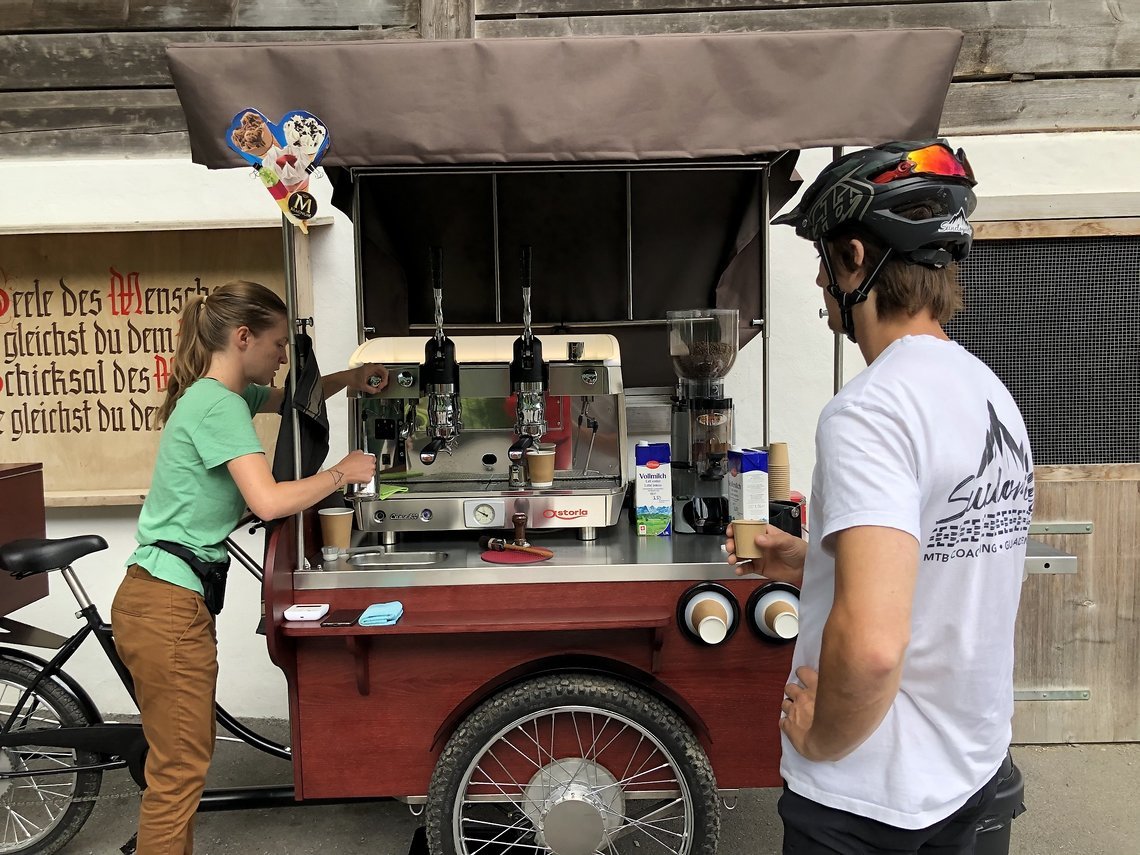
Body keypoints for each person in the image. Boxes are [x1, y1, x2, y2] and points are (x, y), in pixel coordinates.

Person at [726, 140, 1034, 853]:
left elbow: (869, 648)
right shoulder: (989, 394)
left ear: (856, 260)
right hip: (974, 773)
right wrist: (816, 565)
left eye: (822, 261)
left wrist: (821, 736)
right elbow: (947, 564)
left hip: (871, 794)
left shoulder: (871, 411)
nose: (818, 284)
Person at [111, 280, 387, 854]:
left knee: (179, 766)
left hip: (163, 598)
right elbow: (267, 500)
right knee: (179, 772)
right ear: (243, 339)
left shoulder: (220, 397)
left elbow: (291, 401)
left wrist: (347, 382)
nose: (284, 357)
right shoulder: (217, 405)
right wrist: (343, 472)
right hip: (166, 606)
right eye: (278, 344)